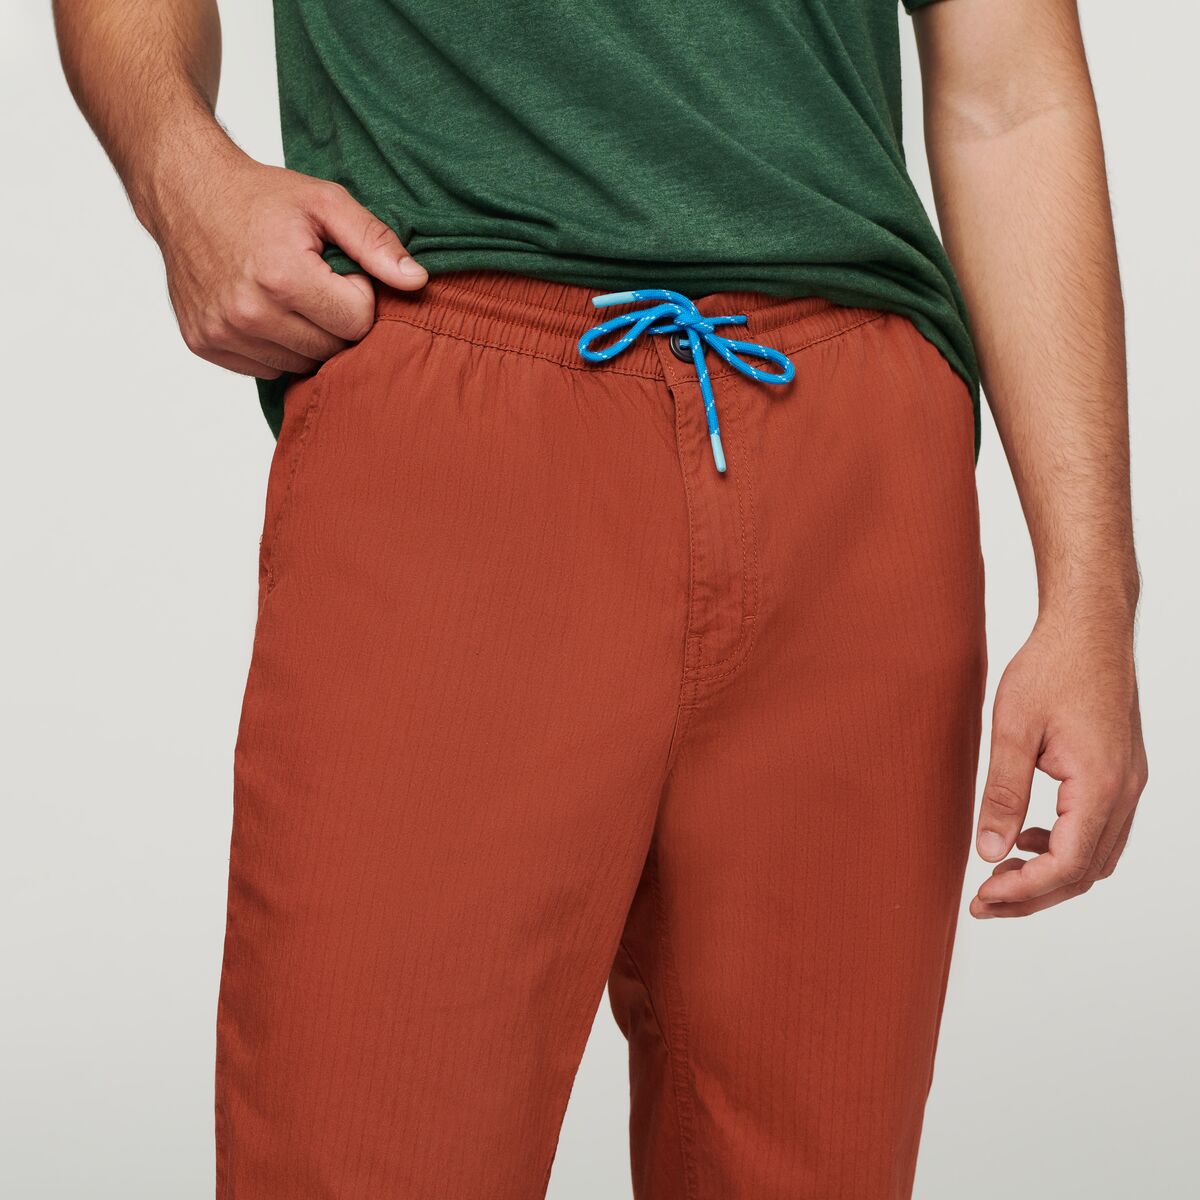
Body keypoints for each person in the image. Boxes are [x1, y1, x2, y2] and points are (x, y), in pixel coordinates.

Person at [55, 1, 1148, 1196]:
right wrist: (178, 170)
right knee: (362, 1151)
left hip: (854, 436)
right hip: (458, 382)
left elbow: (1012, 91)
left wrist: (1092, 592)